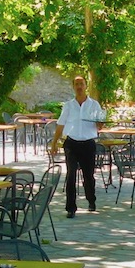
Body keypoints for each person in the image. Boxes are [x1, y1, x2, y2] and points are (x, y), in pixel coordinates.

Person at [50, 76, 103, 218]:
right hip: (71, 143)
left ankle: (91, 200)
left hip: (88, 143)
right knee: (71, 175)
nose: (79, 86)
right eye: (77, 84)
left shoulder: (94, 105)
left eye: (82, 84)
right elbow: (60, 124)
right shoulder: (68, 105)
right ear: (73, 86)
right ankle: (70, 208)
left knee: (88, 176)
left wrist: (101, 123)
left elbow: (100, 124)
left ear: (86, 86)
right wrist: (54, 143)